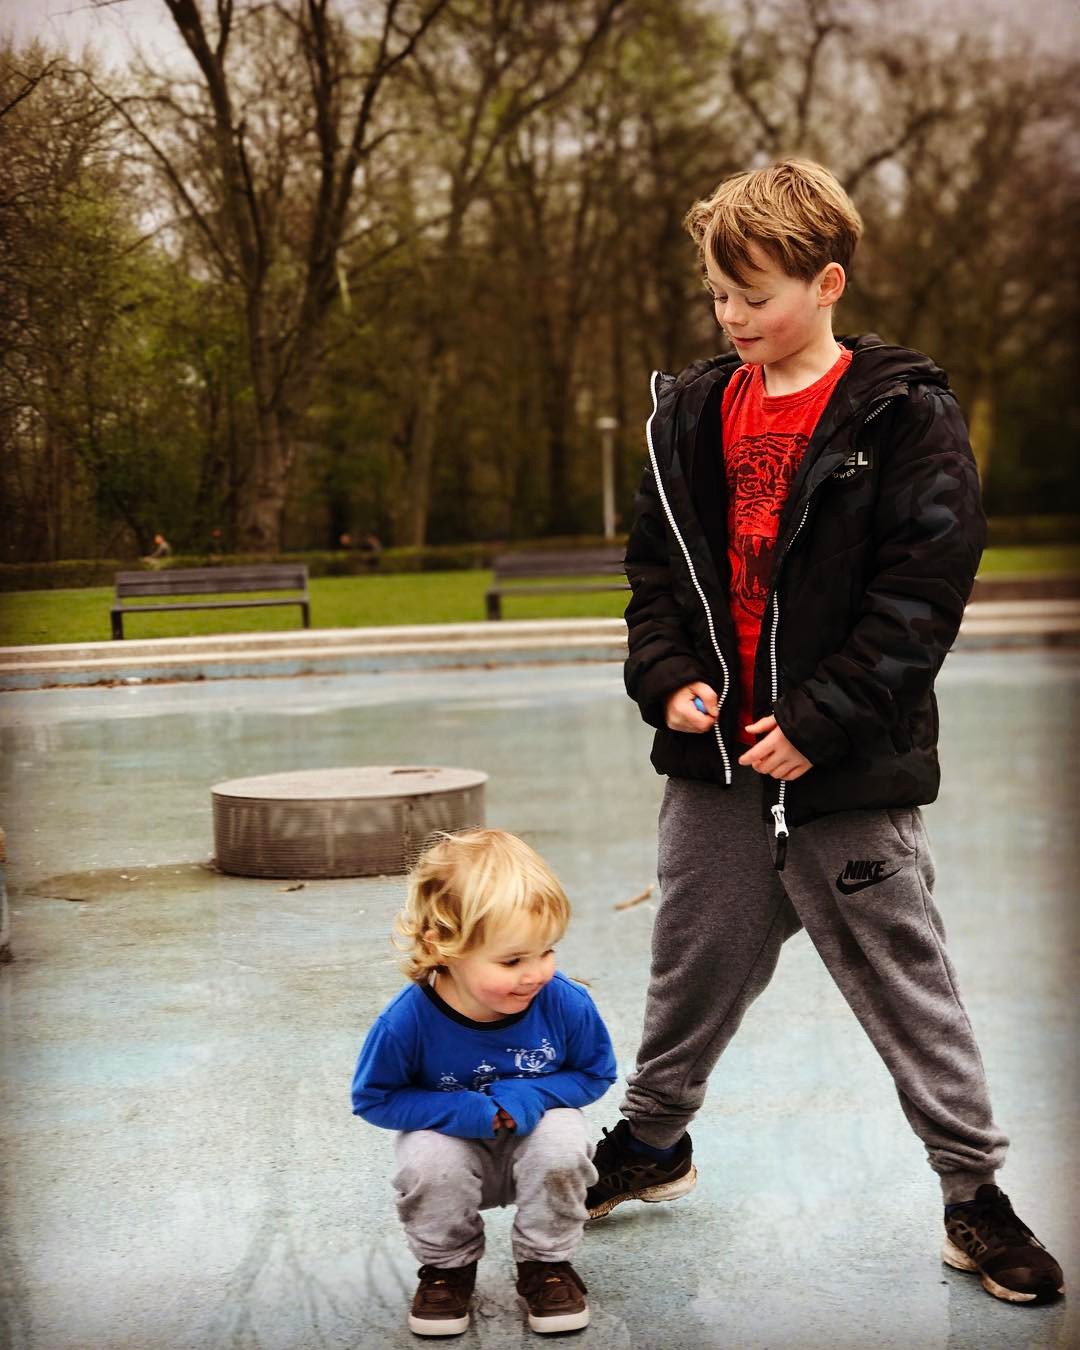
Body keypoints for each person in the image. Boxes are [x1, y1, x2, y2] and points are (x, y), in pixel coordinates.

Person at [584, 160, 1064, 1307]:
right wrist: (667, 680)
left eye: (754, 296)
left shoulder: (903, 414)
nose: (731, 317)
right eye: (718, 296)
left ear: (828, 283)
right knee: (690, 965)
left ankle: (974, 1195)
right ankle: (654, 1142)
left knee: (906, 983)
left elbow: (922, 596)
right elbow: (655, 579)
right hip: (715, 764)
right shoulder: (688, 414)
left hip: (845, 768)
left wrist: (819, 719)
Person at [351, 829, 617, 1336]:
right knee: (428, 1160)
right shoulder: (406, 1021)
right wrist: (461, 1111)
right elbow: (375, 1098)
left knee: (562, 1139)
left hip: (536, 1144)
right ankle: (447, 1270)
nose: (535, 973)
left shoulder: (565, 1002)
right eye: (512, 960)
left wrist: (532, 1094)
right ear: (443, 946)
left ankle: (546, 1265)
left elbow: (594, 1072)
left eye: (546, 951)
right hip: (454, 1148)